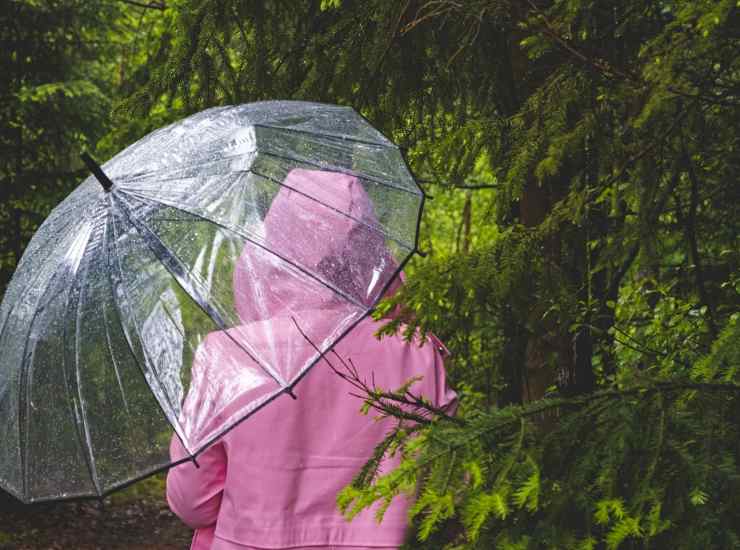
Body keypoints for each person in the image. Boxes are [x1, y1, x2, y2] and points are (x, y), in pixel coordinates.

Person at [166, 168, 456, 550]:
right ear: (370, 249)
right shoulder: (415, 351)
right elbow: (444, 482)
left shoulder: (227, 356)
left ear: (277, 242)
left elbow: (193, 503)